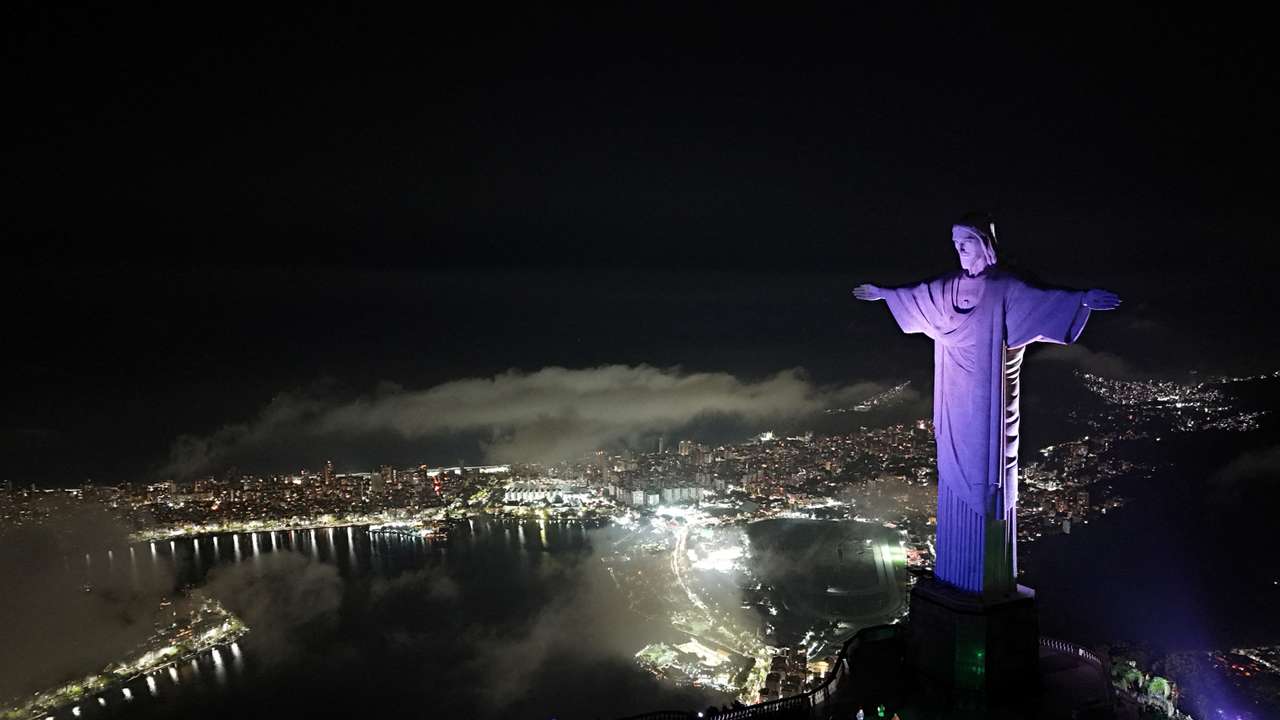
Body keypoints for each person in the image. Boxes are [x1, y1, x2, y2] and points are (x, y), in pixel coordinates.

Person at [852, 213, 1119, 595]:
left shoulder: (1004, 286)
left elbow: (1045, 301)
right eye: (956, 243)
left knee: (986, 466)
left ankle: (985, 577)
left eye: (967, 242)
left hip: (989, 394)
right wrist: (884, 294)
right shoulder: (947, 287)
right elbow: (916, 294)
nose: (960, 249)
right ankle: (960, 577)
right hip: (952, 390)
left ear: (985, 245)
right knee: (953, 460)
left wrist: (1083, 301)